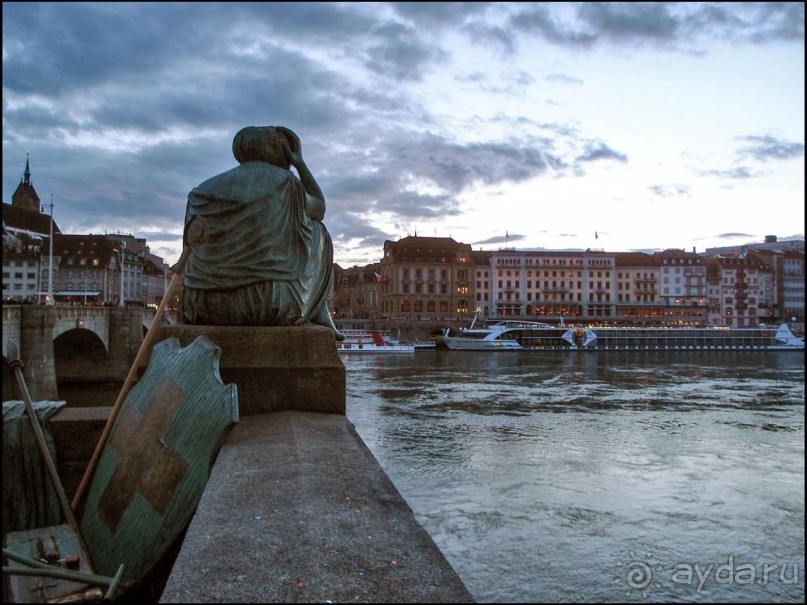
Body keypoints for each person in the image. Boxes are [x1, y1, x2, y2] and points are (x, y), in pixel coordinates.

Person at [180, 125, 344, 340]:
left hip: (200, 305)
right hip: (266, 304)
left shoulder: (201, 189)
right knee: (318, 230)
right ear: (276, 150)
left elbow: (191, 243)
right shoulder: (286, 183)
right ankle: (319, 310)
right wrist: (300, 164)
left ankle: (318, 309)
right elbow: (319, 208)